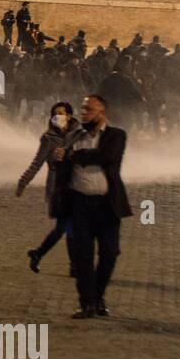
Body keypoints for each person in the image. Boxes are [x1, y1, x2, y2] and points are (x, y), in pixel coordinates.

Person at [55, 94, 132, 319]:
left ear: (102, 113)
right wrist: (59, 157)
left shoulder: (116, 135)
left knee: (110, 253)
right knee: (83, 257)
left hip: (107, 205)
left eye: (89, 110)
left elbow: (107, 157)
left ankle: (98, 296)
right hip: (80, 204)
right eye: (83, 109)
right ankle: (86, 303)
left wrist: (73, 155)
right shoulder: (73, 135)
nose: (84, 113)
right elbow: (61, 164)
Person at [17, 102, 75, 274]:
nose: (57, 117)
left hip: (75, 184)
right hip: (58, 185)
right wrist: (23, 181)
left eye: (61, 113)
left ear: (69, 116)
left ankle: (38, 253)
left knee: (66, 226)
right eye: (54, 114)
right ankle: (73, 265)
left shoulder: (77, 134)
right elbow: (37, 163)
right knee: (68, 225)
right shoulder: (48, 138)